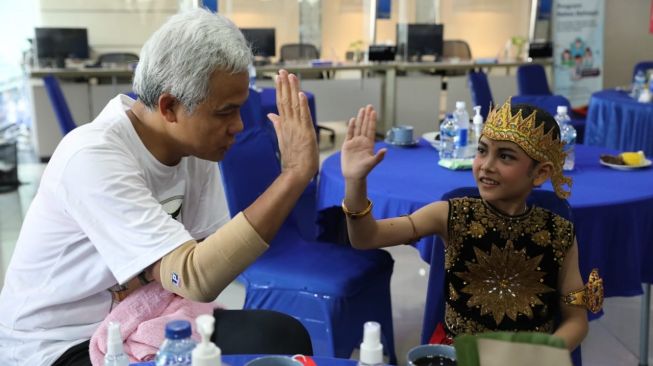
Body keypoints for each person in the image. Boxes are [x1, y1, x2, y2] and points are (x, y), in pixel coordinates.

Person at [0, 8, 318, 366]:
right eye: (225, 112)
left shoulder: (192, 148)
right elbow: (196, 276)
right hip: (59, 342)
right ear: (169, 107)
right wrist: (292, 176)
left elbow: (204, 254)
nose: (239, 126)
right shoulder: (93, 156)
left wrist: (174, 268)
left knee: (283, 336)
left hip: (139, 316)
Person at [340, 99, 601, 352]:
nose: (487, 166)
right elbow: (366, 237)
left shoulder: (559, 233)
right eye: (482, 150)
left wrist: (541, 355)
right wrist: (355, 182)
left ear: (541, 173)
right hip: (458, 356)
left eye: (506, 157)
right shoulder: (451, 215)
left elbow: (576, 320)